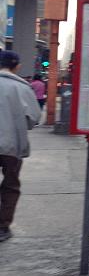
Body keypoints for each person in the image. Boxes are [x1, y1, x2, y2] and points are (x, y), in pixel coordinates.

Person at [0, 51, 42, 242]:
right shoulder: (22, 87)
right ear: (16, 66)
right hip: (12, 146)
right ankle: (2, 227)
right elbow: (33, 119)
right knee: (10, 186)